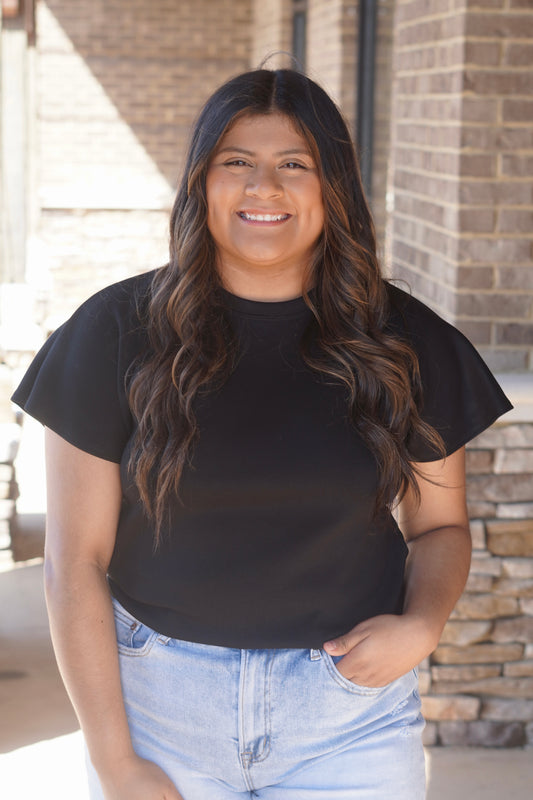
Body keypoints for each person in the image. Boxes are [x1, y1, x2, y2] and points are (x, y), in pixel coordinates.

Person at [13, 68, 511, 800]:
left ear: (331, 188)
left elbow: (439, 528)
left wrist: (423, 623)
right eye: (236, 163)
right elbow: (73, 563)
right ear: (200, 183)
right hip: (158, 709)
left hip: (349, 721)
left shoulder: (406, 343)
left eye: (293, 166)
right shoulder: (114, 334)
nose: (263, 188)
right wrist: (115, 761)